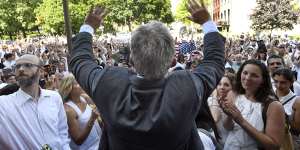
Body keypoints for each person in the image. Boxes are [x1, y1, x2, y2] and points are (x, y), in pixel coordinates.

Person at [69, 0, 225, 149]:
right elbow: (214, 62)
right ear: (172, 61)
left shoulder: (108, 84)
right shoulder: (188, 87)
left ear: (131, 59)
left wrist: (88, 27)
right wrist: (207, 23)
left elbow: (80, 61)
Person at [0, 54, 70, 149]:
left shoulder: (54, 97)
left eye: (28, 65)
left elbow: (62, 132)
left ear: (41, 71)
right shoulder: (4, 104)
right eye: (17, 66)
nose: (21, 69)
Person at [219, 59, 285, 149]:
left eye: (254, 75)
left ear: (263, 80)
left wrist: (241, 121)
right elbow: (229, 128)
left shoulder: (273, 106)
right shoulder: (234, 94)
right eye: (245, 73)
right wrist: (229, 116)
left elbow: (273, 145)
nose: (247, 78)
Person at [59, 74, 102, 150]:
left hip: (100, 143)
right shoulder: (68, 110)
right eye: (77, 83)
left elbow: (98, 111)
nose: (81, 84)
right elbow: (78, 140)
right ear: (69, 88)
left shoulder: (84, 98)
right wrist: (92, 119)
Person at [272, 68, 300, 148]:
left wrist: (282, 115)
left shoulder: (297, 101)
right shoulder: (269, 94)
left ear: (291, 83)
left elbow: (297, 130)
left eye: (283, 82)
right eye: (276, 82)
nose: (278, 85)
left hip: (288, 142)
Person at [208, 73, 236, 146]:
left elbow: (229, 127)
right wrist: (214, 96)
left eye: (226, 85)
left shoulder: (236, 103)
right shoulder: (211, 100)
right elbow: (215, 118)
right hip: (214, 143)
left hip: (231, 143)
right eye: (219, 84)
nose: (222, 87)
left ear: (232, 88)